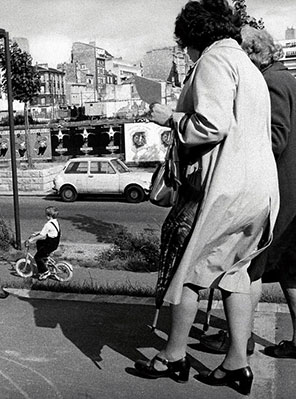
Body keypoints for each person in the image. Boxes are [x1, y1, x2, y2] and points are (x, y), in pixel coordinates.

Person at [132, 1, 279, 396]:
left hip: (225, 187)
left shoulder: (214, 61)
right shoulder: (248, 66)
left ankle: (173, 356)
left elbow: (211, 125)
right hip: (259, 189)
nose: (185, 51)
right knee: (234, 273)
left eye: (184, 43)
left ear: (194, 37)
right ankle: (236, 363)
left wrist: (170, 119)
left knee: (189, 267)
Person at [200, 26, 296, 359]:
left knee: (245, 266)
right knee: (291, 270)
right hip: (292, 194)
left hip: (279, 193)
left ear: (253, 53)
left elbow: (275, 138)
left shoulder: (269, 84)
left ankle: (238, 343)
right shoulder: (288, 79)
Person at [27, 206, 61, 280]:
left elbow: (42, 235)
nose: (45, 216)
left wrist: (32, 239)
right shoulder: (55, 222)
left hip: (49, 245)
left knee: (37, 257)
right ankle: (44, 258)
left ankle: (45, 271)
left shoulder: (47, 224)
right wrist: (38, 232)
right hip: (54, 243)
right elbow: (49, 231)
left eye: (46, 215)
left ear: (49, 216)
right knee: (39, 242)